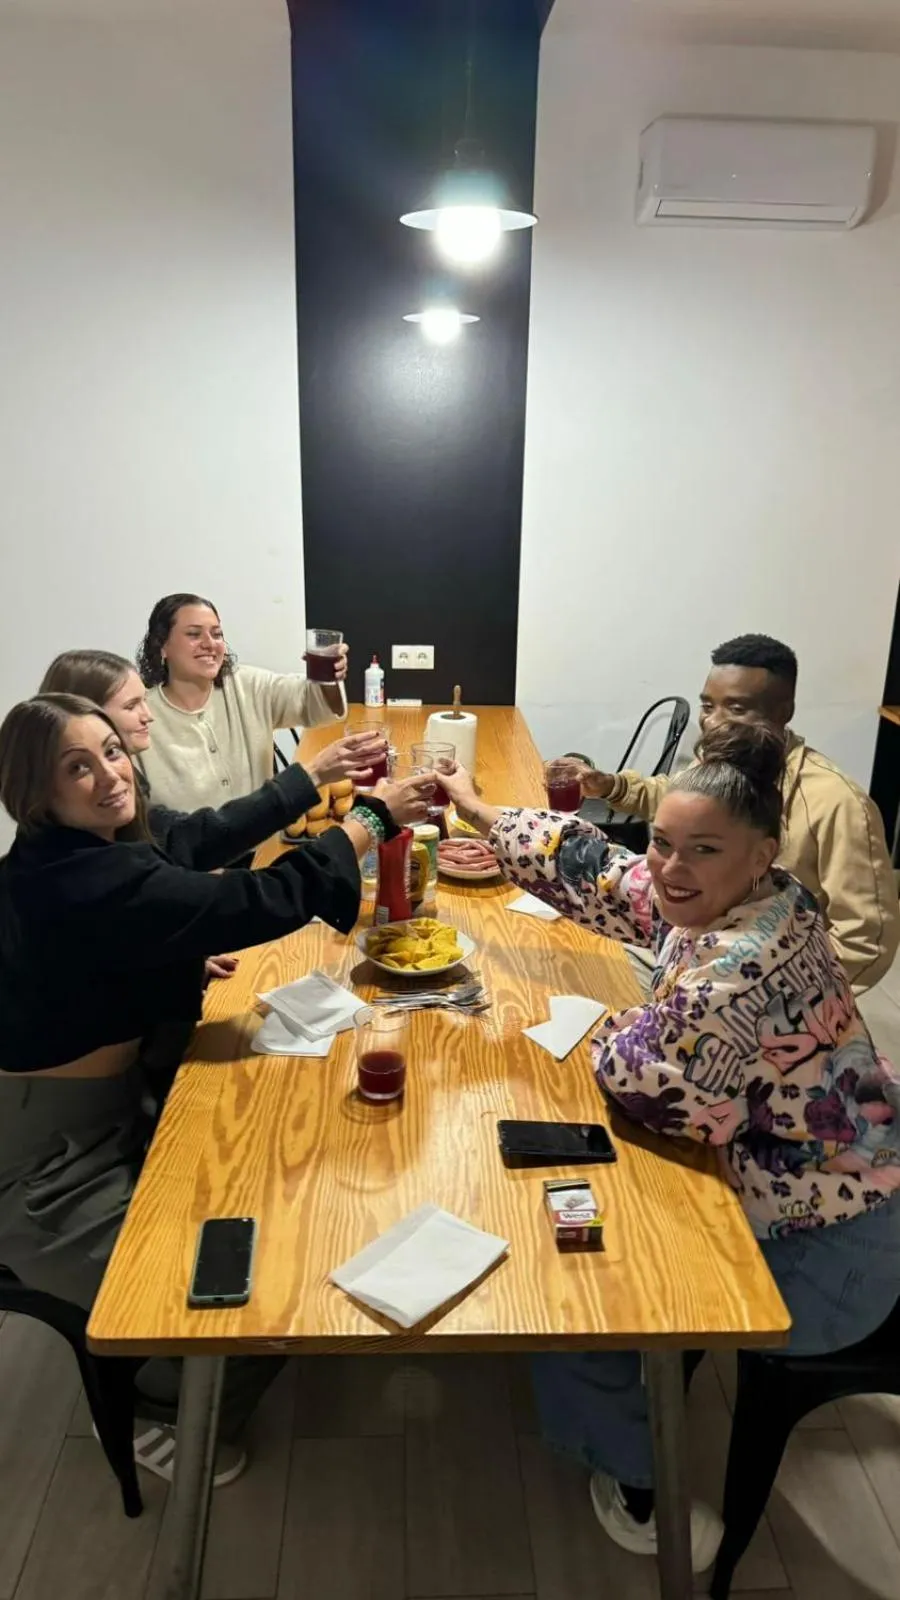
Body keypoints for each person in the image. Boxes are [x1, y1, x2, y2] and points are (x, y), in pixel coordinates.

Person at [439, 724, 900, 1572]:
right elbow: (605, 872)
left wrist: (625, 1022)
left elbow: (638, 1079)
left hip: (832, 1252)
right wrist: (478, 811)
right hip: (852, 1177)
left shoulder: (737, 965)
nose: (670, 867)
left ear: (760, 854)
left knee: (584, 1269)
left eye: (703, 850)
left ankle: (639, 1480)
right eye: (662, 841)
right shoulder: (768, 897)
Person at [0, 692, 431, 1486]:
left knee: (270, 1196)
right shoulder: (80, 879)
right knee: (226, 1293)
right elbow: (250, 899)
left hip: (114, 1107)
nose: (110, 773)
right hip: (45, 1169)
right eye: (78, 766)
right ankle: (161, 1409)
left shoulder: (81, 851)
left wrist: (176, 954)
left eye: (113, 750)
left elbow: (187, 852)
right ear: (35, 794)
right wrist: (363, 824)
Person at [575, 634, 899, 995]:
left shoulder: (837, 804)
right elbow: (670, 797)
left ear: (784, 712)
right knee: (591, 961)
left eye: (737, 708)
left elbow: (866, 941)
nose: (714, 722)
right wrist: (611, 786)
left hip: (769, 986)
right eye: (708, 706)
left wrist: (787, 997)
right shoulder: (716, 762)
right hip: (692, 945)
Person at [39, 648, 389, 979]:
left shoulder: (78, 832)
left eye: (113, 753)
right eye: (79, 768)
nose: (149, 715)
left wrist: (177, 966)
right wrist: (369, 820)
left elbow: (189, 838)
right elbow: (258, 900)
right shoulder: (97, 872)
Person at [135, 593, 350, 813]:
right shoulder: (140, 717)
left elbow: (315, 706)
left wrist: (329, 678)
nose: (210, 644)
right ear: (162, 646)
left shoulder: (247, 685)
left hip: (264, 844)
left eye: (217, 634)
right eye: (194, 634)